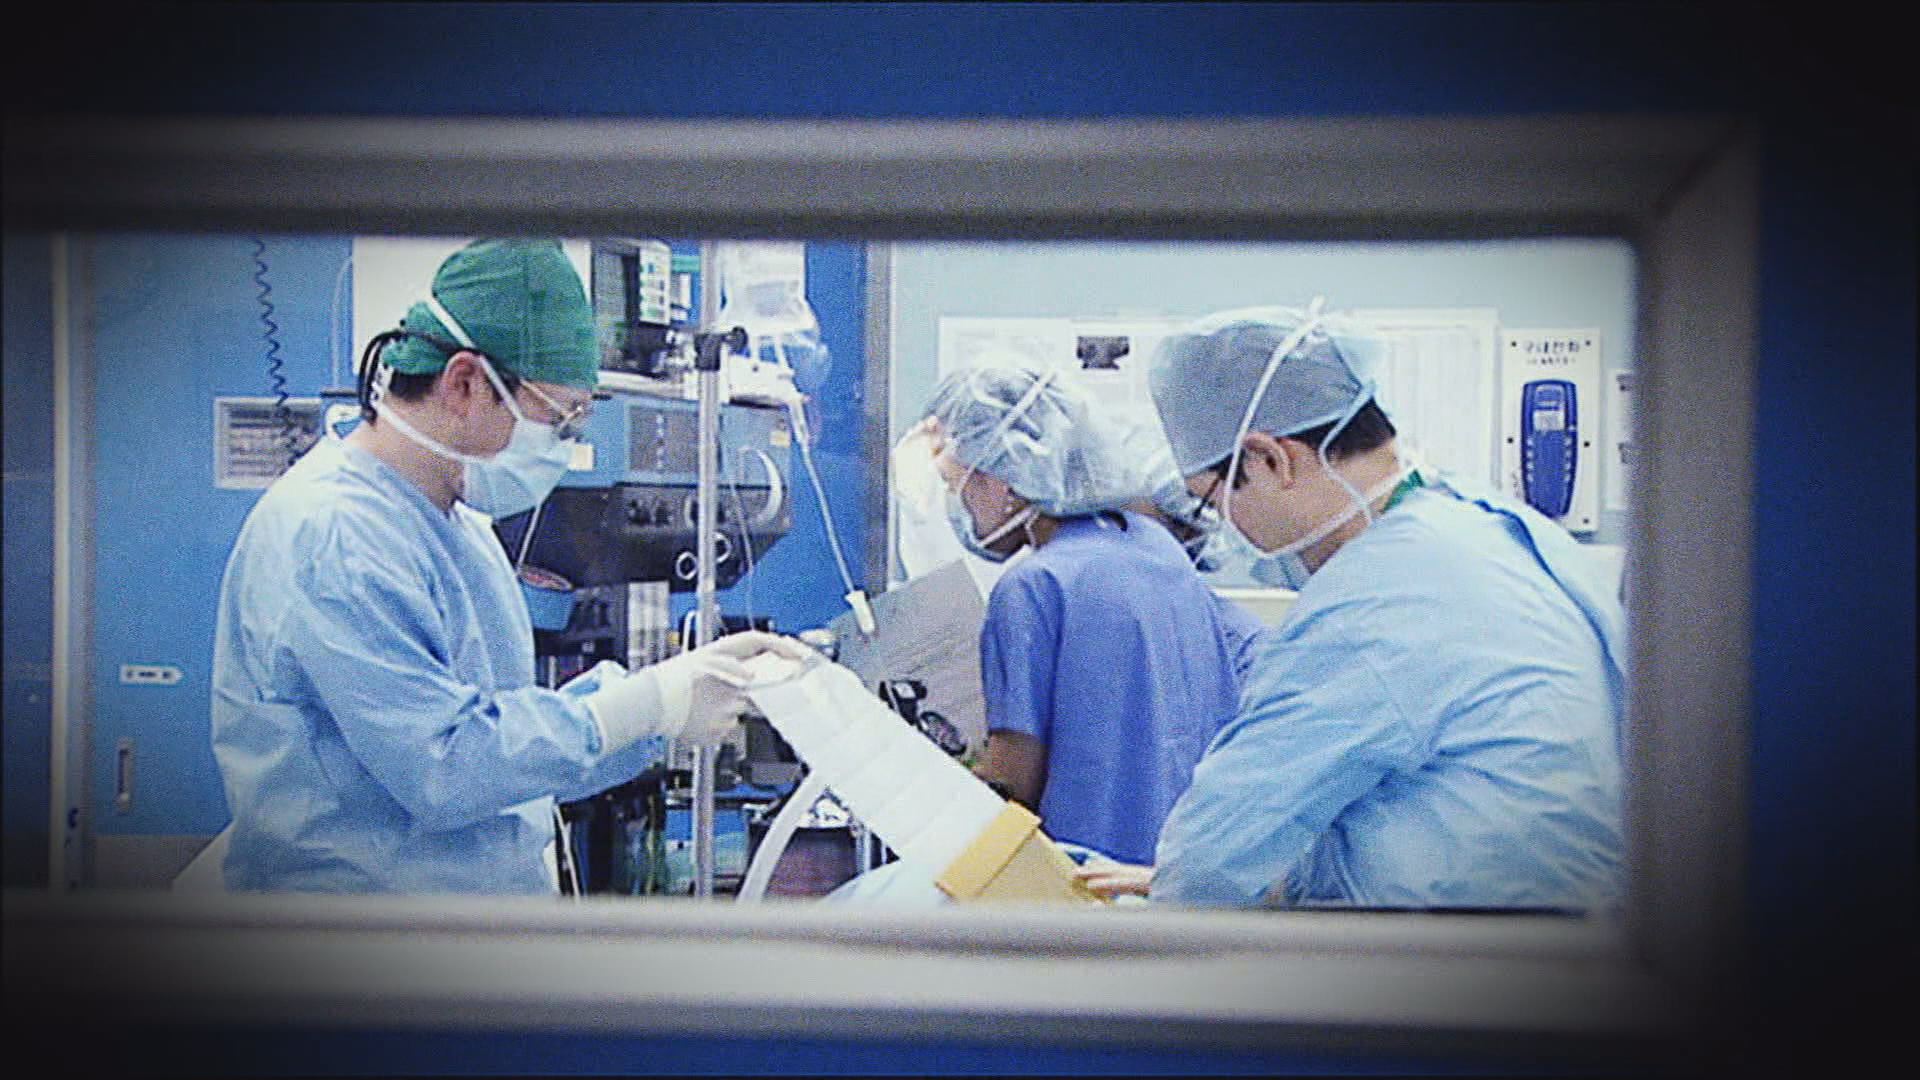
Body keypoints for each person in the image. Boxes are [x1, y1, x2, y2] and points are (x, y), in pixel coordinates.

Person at [210, 239, 806, 893]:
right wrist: (650, 704)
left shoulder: (460, 523)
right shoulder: (336, 536)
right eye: (558, 418)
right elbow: (446, 768)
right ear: (464, 382)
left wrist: (661, 708)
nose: (563, 444)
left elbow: (507, 745)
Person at [1078, 301, 1628, 910]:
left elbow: (1217, 850)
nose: (1228, 528)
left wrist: (1171, 899)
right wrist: (1272, 887)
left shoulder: (1373, 601)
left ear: (1270, 459)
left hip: (1473, 952)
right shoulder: (1489, 526)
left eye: (1211, 501)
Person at [912, 364, 1256, 866]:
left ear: (1004, 481)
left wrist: (921, 800)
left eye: (955, 484)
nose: (957, 504)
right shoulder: (1156, 549)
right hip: (1176, 872)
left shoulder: (1035, 586)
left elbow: (1013, 783)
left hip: (1082, 880)